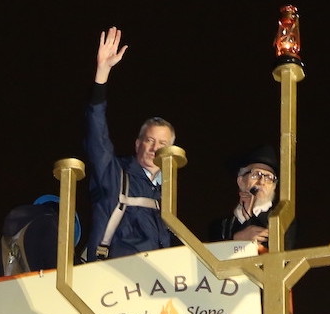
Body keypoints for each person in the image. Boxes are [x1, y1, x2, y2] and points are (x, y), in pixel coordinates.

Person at [82, 27, 179, 261]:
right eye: (150, 140)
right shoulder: (114, 175)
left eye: (163, 143)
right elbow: (97, 136)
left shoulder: (168, 193)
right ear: (137, 144)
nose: (155, 148)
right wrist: (102, 74)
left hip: (156, 284)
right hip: (113, 280)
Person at [203, 144, 296, 251]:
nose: (261, 182)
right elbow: (213, 256)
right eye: (256, 174)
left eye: (269, 177)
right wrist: (236, 239)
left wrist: (249, 216)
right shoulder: (221, 226)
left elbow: (280, 258)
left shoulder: (283, 220)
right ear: (241, 181)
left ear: (274, 187)